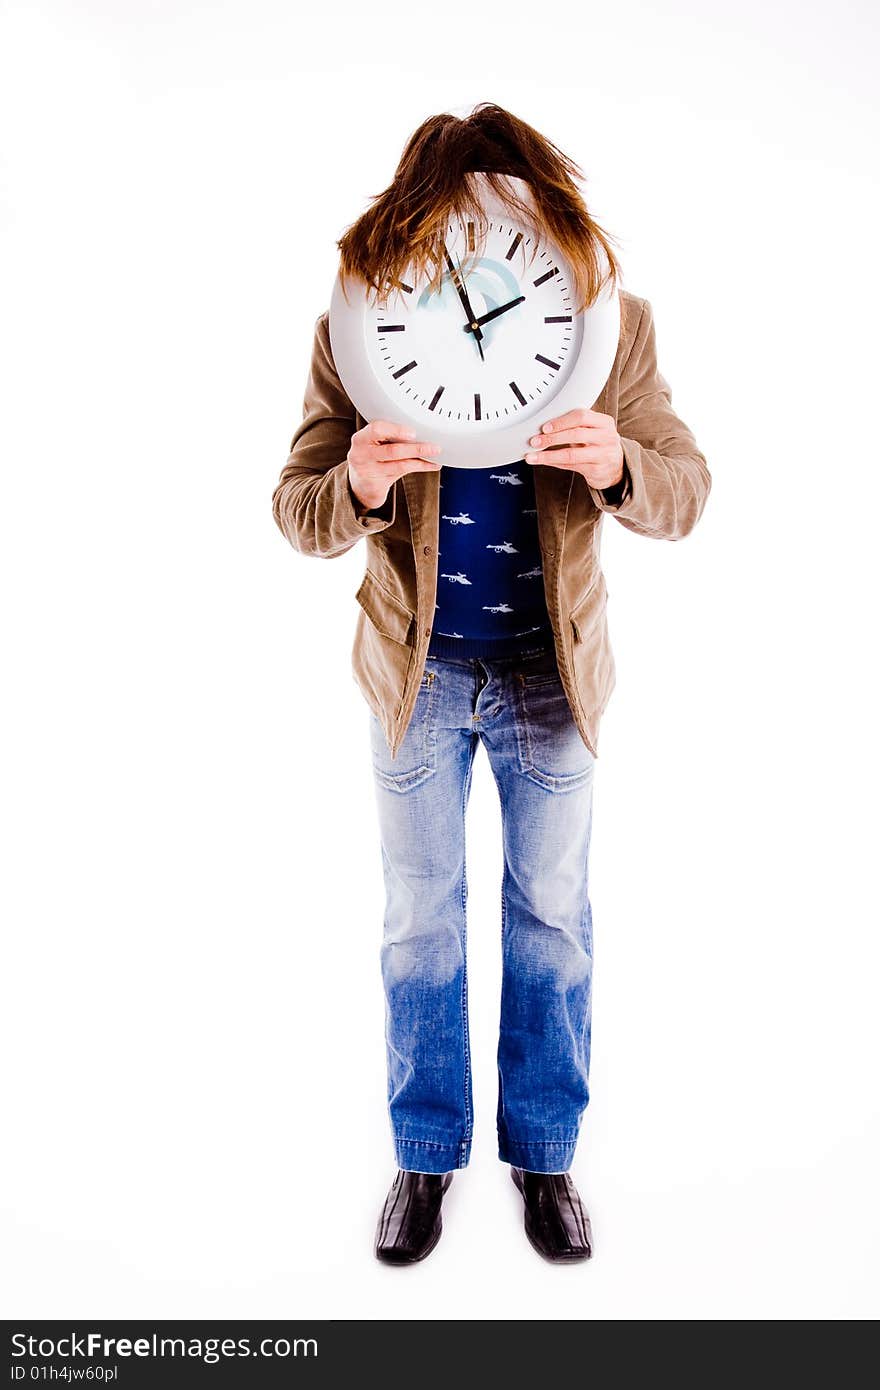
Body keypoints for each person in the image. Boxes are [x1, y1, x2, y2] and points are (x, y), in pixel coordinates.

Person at [272, 103, 711, 1264]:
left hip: (548, 680)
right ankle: (424, 1158)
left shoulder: (617, 331)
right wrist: (355, 485)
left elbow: (686, 486)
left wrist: (620, 464)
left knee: (551, 920)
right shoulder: (356, 330)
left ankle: (545, 1156)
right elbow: (295, 505)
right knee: (420, 926)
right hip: (416, 676)